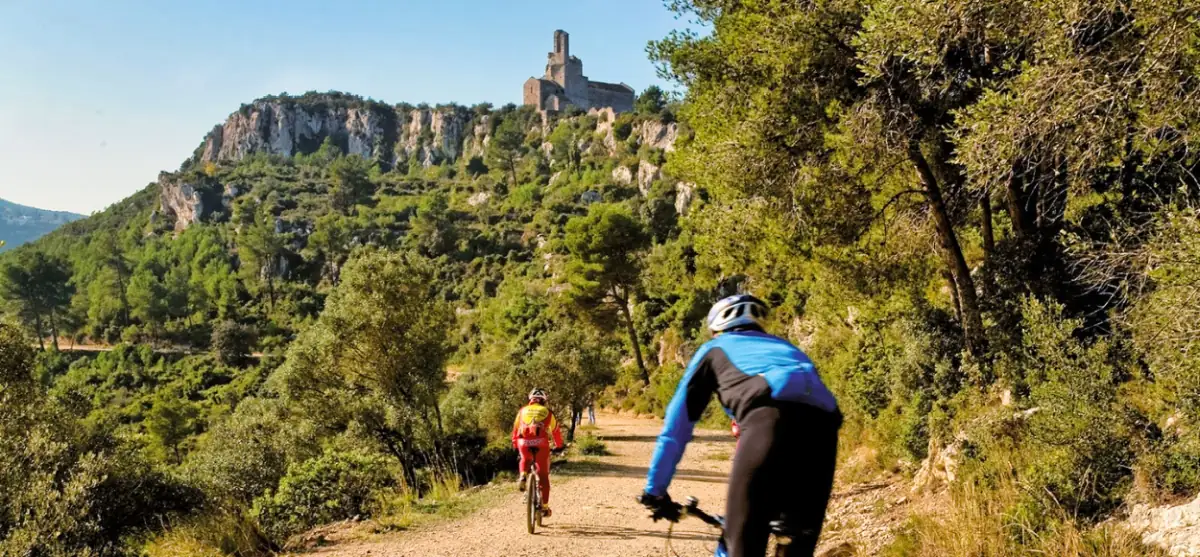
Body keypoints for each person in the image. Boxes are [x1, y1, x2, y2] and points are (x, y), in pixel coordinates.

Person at [638, 294, 843, 557]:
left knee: (741, 546)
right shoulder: (788, 349)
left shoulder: (713, 349)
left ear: (716, 329)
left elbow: (676, 429)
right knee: (797, 546)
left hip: (767, 423)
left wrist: (654, 491)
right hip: (824, 434)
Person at [512, 388, 565, 517]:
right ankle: (545, 508)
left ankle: (523, 475)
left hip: (524, 443)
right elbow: (556, 431)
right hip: (541, 443)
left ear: (530, 400)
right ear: (543, 400)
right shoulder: (548, 412)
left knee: (524, 458)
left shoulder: (522, 411)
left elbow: (515, 430)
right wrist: (559, 446)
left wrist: (515, 444)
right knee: (543, 475)